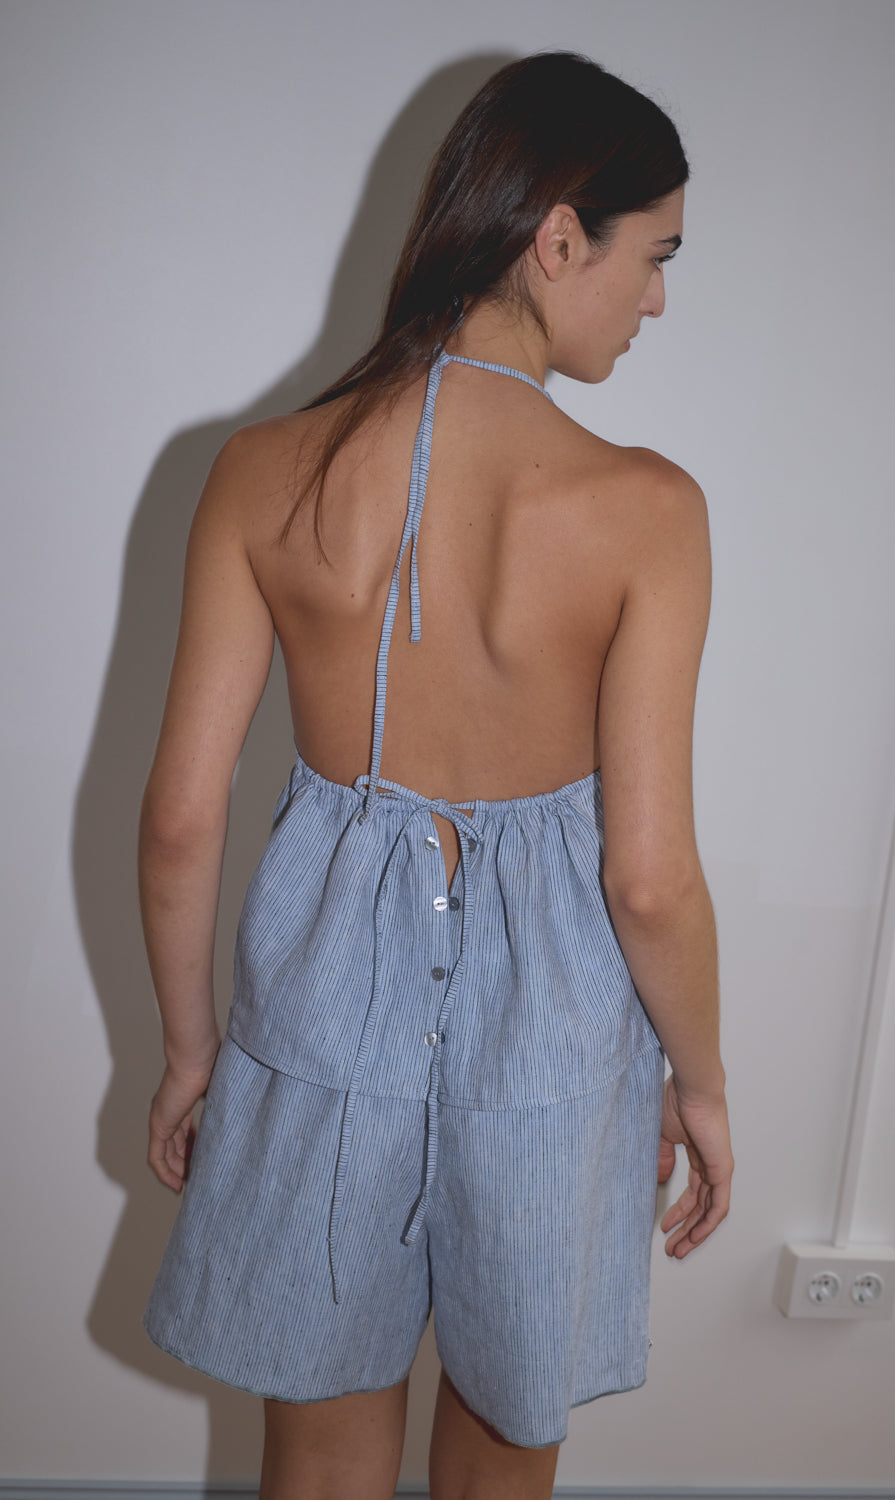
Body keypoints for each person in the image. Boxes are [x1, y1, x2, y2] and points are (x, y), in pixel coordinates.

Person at [139, 49, 733, 1500]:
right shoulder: (644, 511)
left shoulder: (258, 469)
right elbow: (646, 877)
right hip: (552, 1039)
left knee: (321, 1445)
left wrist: (189, 1049)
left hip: (318, 1017)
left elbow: (179, 816)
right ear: (555, 240)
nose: (655, 299)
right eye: (650, 257)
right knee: (503, 1430)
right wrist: (702, 1085)